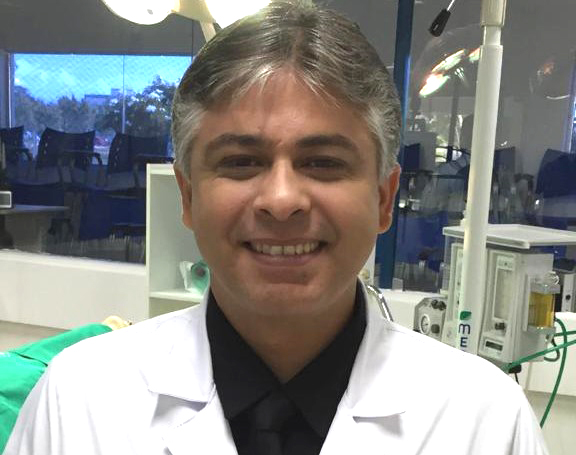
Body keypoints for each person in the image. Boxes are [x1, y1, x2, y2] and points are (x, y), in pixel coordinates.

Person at [5, 1, 548, 454]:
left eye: (324, 162)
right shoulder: (79, 401)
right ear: (188, 196)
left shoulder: (484, 421)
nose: (282, 200)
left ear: (384, 199)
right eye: (241, 161)